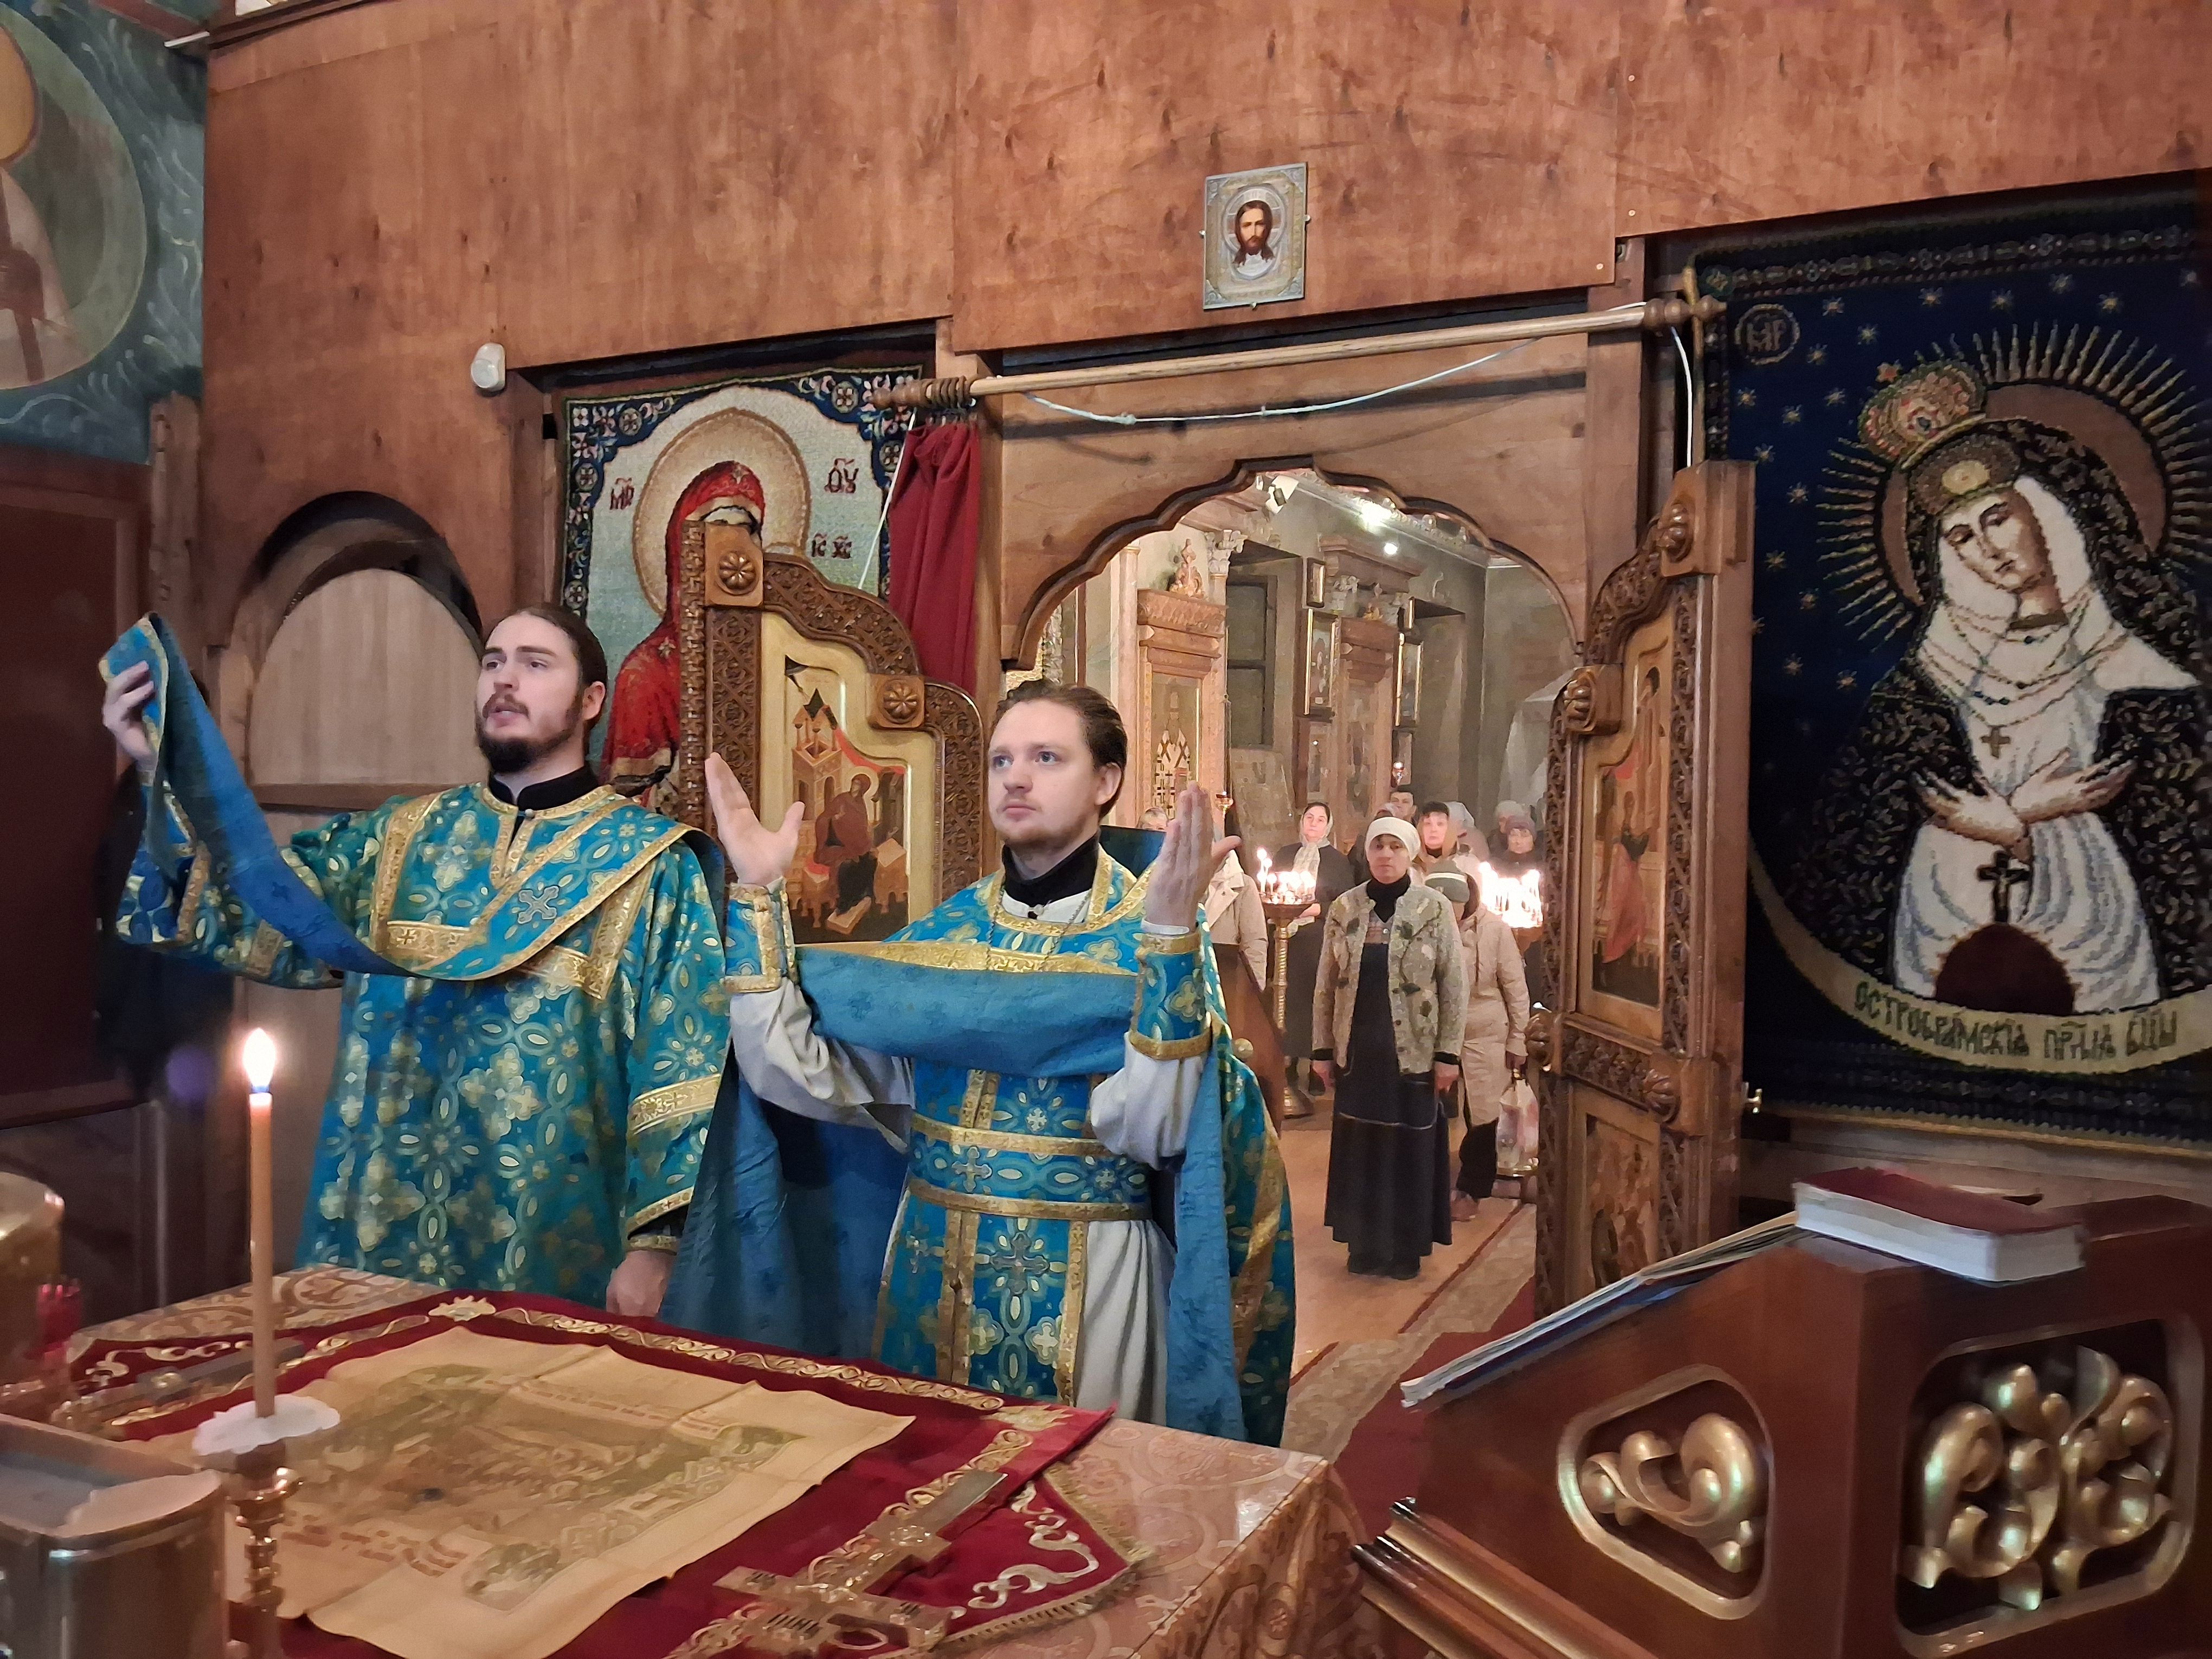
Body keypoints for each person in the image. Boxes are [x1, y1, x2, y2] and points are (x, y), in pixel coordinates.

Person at [671, 680, 1294, 1442]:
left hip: (1095, 1279)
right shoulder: (946, 937)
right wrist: (759, 892)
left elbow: (1158, 1130)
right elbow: (796, 1072)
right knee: (924, 1486)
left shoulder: (1150, 934)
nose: (1016, 778)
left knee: (1081, 1494)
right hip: (927, 1268)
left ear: (1105, 781)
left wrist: (1169, 937)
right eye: (1002, 760)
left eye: (1046, 758)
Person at [99, 607, 729, 1315]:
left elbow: (681, 1062)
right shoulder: (399, 839)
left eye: (535, 663)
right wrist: (158, 764)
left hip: (550, 1226)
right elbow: (247, 911)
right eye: (492, 662)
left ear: (591, 700)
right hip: (382, 1213)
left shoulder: (651, 866)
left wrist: (656, 1247)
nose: (505, 680)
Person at [1789, 368, 2208, 1014]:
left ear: (2048, 513)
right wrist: (2016, 819)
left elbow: (2173, 818)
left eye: (1998, 518)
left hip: (2099, 910)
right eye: (1961, 537)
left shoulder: (2144, 667)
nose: (1987, 548)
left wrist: (2013, 821)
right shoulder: (1930, 681)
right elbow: (1874, 826)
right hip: (1943, 907)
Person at [1313, 818, 1467, 1279]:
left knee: (1406, 1150)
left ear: (1410, 853)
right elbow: (1326, 985)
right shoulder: (1345, 907)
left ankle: (1404, 1248)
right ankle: (1363, 1244)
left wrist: (1448, 1055)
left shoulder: (1433, 908)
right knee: (1362, 1150)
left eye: (1395, 847)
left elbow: (1453, 984)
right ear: (1367, 853)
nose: (1385, 855)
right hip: (1359, 1052)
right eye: (1378, 846)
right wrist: (1322, 1050)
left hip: (1413, 1052)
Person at [604, 461, 768, 814]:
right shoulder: (645, 674)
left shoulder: (777, 652)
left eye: (745, 530)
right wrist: (687, 774)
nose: (733, 548)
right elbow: (622, 814)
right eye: (719, 528)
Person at [1451, 877, 1529, 1220]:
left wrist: (1518, 1039)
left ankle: (1472, 1188)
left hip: (1487, 1033)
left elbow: (1516, 989)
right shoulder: (1429, 926)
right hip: (1440, 1032)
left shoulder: (1495, 930)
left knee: (1482, 1116)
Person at [1270, 801, 1357, 1107]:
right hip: (1285, 934)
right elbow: (1271, 887)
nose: (1314, 823)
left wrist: (1319, 909)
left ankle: (1315, 1066)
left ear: (1328, 825)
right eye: (1310, 817)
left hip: (1317, 937)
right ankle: (1286, 1062)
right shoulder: (1285, 854)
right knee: (1285, 997)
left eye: (1321, 819)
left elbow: (1346, 902)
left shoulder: (1337, 861)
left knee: (1314, 999)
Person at [1203, 845, 1267, 989]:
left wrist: (1255, 989)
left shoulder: (1243, 885)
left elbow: (1255, 942)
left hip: (1227, 978)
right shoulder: (1179, 882)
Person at [1416, 800, 1484, 887]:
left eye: (1440, 824)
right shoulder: (1411, 866)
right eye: (1428, 824)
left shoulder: (1467, 863)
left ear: (1450, 828)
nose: (1433, 829)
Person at [1230, 197, 1276, 279]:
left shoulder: (1274, 261)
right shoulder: (1234, 265)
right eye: (1247, 225)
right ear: (1239, 230)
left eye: (1260, 224)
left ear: (1267, 227)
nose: (1253, 233)